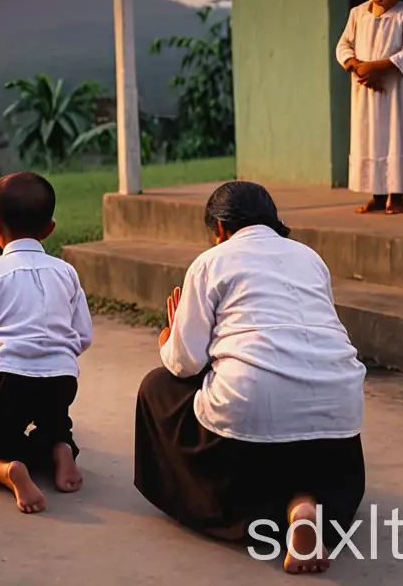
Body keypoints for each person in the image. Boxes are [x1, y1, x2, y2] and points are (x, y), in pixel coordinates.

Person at [133, 180, 366, 575]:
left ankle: (267, 514)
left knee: (156, 388)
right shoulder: (310, 258)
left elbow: (184, 364)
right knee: (299, 428)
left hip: (250, 414)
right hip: (338, 416)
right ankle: (304, 505)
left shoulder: (212, 262)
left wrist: (170, 336)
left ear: (219, 229)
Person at [0, 172, 93, 514]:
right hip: (61, 381)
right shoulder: (66, 272)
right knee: (52, 422)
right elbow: (83, 336)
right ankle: (60, 448)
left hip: (6, 380)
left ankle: (6, 471)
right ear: (50, 228)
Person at [335, 0, 403, 215]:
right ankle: (377, 195)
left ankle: (396, 197)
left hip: (395, 91)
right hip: (365, 91)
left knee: (395, 138)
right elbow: (344, 44)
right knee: (370, 139)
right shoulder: (358, 14)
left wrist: (379, 67)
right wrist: (356, 66)